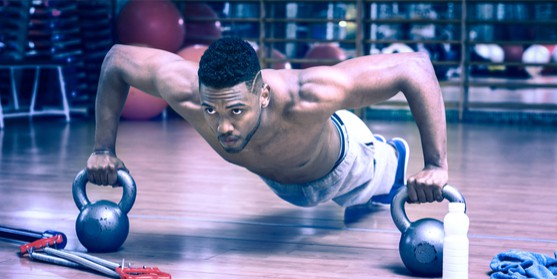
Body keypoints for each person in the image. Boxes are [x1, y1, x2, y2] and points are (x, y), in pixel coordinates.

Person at [87, 37, 448, 209]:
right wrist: (103, 149)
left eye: (236, 111)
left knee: (368, 190)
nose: (223, 127)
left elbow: (415, 68)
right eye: (212, 111)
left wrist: (435, 165)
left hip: (345, 165)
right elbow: (117, 59)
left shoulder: (309, 94)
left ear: (263, 94)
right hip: (280, 175)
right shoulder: (186, 91)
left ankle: (390, 157)